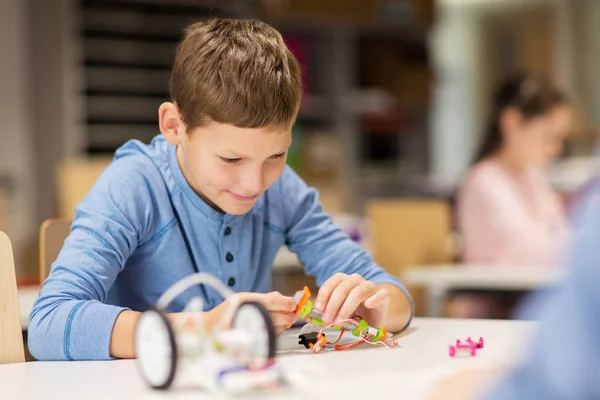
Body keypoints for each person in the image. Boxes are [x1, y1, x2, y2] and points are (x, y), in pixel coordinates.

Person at [28, 19, 413, 361]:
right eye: (231, 160)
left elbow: (394, 295)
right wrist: (203, 326)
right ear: (174, 126)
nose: (255, 183)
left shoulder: (282, 192)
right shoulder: (132, 186)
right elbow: (49, 323)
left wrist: (376, 307)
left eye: (277, 155)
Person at [430, 189, 600, 400]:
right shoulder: (487, 181)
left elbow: (559, 381)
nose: (555, 153)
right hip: (488, 300)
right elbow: (528, 244)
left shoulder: (533, 180)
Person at [452, 72, 573, 318]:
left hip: (531, 304)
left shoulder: (533, 178)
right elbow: (531, 251)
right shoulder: (485, 180)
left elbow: (561, 234)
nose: (557, 149)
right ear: (512, 123)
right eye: (550, 136)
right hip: (494, 316)